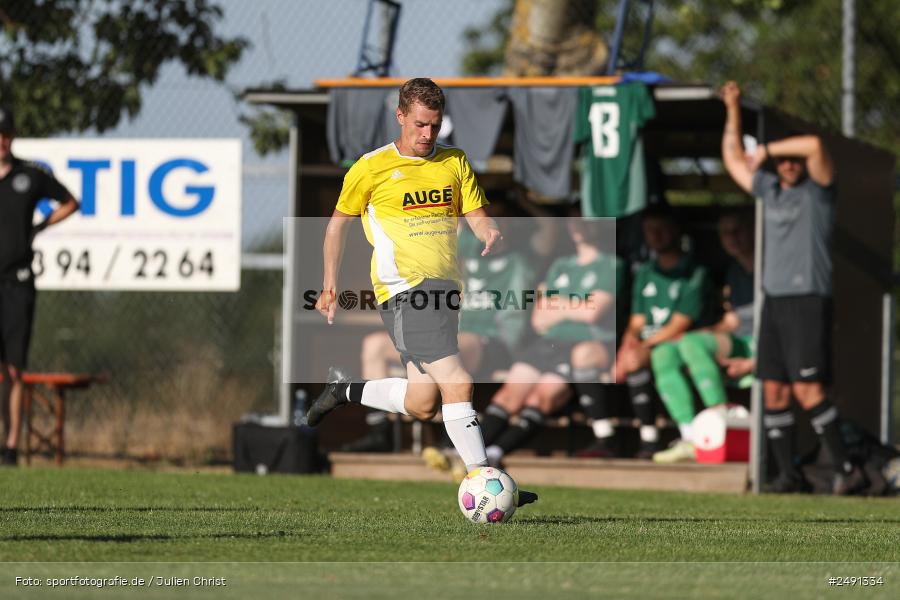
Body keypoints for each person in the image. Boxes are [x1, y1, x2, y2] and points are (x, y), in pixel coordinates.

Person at [305, 78, 537, 507]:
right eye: (419, 125)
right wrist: (330, 283)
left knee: (424, 402)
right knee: (459, 381)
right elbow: (337, 225)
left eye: (435, 125)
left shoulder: (454, 161)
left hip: (446, 293)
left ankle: (344, 390)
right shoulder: (371, 167)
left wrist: (490, 230)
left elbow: (476, 213)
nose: (427, 134)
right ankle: (484, 480)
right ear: (400, 117)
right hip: (404, 291)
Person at [720, 80, 866, 494]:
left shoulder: (817, 195)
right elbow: (733, 159)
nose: (788, 165)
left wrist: (768, 150)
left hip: (807, 301)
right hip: (775, 304)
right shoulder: (769, 191)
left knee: (808, 390)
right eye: (781, 160)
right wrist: (732, 108)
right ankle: (789, 476)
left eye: (791, 158)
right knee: (775, 390)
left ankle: (848, 469)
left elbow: (816, 148)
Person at [479, 214, 623, 467]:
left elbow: (593, 313)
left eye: (585, 220)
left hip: (581, 345)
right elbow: (538, 319)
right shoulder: (560, 265)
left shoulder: (610, 264)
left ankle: (495, 454)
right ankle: (470, 454)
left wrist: (558, 306)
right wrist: (574, 306)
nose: (578, 226)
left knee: (540, 398)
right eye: (574, 220)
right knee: (508, 395)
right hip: (547, 344)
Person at [600, 205, 715, 459]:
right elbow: (637, 320)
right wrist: (627, 343)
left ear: (676, 231)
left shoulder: (695, 272)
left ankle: (653, 441)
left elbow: (679, 324)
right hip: (648, 344)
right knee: (621, 359)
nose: (656, 236)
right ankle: (643, 439)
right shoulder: (646, 271)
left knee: (643, 359)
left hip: (680, 342)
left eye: (661, 229)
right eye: (650, 231)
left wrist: (641, 347)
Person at [0, 106, 80, 466]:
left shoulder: (29, 175)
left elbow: (70, 202)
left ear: (12, 137)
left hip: (17, 283)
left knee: (14, 368)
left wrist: (42, 226)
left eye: (5, 134)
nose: (0, 141)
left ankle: (11, 446)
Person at [650, 209, 756, 463]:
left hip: (764, 345)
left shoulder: (772, 269)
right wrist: (702, 333)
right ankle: (689, 437)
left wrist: (755, 361)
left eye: (737, 231)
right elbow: (733, 321)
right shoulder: (736, 272)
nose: (731, 239)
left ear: (753, 230)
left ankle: (721, 425)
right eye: (725, 233)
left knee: (690, 343)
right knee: (664, 353)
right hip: (739, 341)